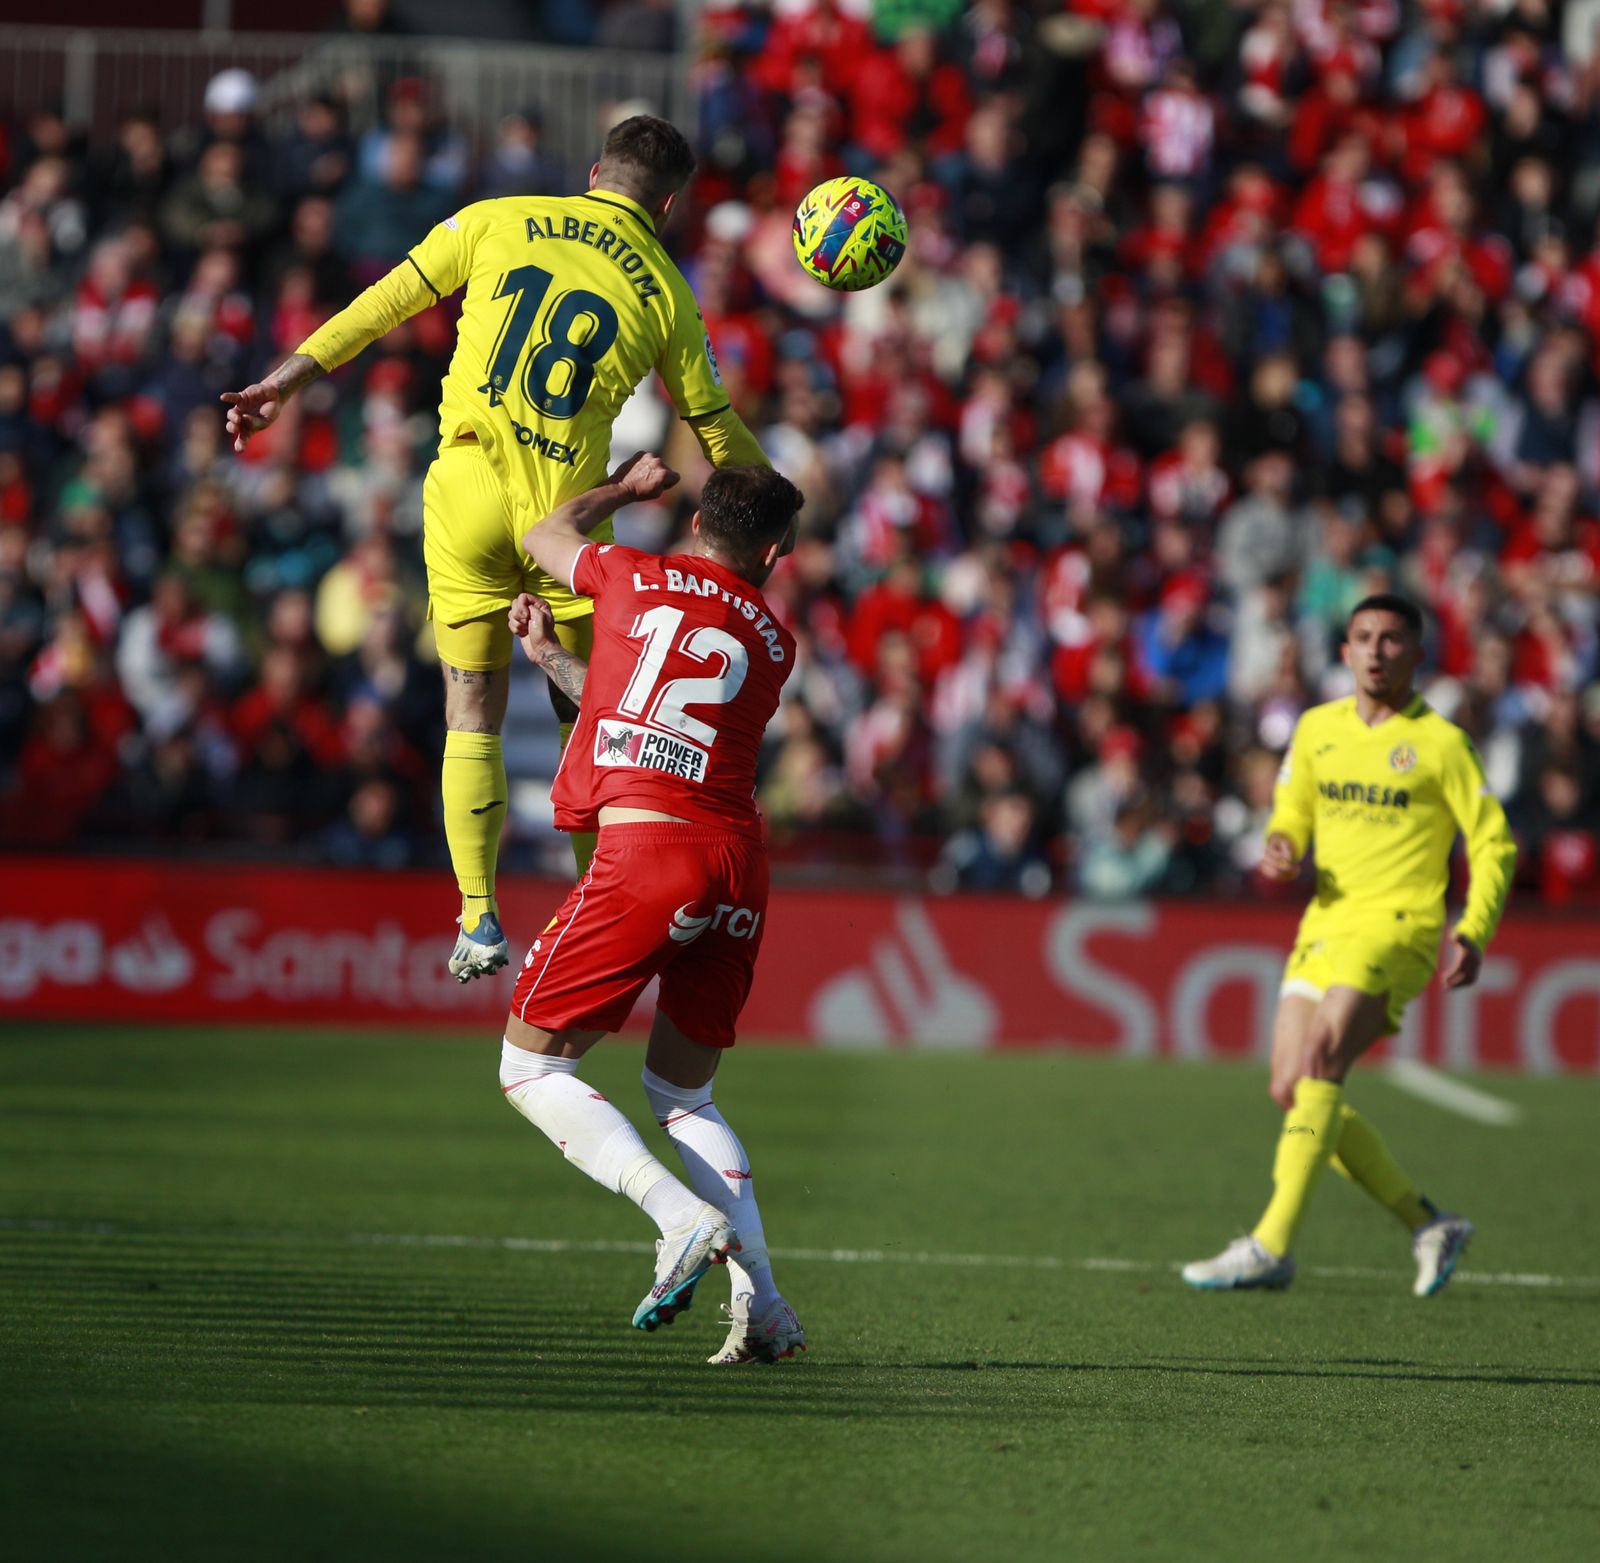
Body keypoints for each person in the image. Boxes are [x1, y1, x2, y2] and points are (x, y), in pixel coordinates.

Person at [221, 115, 769, 983]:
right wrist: (772, 498)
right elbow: (711, 422)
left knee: (469, 706)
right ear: (665, 205)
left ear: (594, 172)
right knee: (597, 721)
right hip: (570, 517)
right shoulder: (665, 287)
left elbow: (382, 306)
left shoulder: (494, 216)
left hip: (470, 489)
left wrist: (282, 382)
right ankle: (606, 905)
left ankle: (478, 916)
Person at [499, 450, 806, 1365]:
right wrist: (554, 657)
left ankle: (677, 1217)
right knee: (683, 1089)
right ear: (777, 551)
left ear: (698, 517)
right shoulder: (775, 642)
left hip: (648, 853)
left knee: (529, 1070)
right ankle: (767, 1306)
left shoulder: (628, 571)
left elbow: (540, 533)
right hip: (736, 864)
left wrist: (622, 494)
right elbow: (646, 715)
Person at [1182, 594, 1517, 1297]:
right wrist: (1281, 845)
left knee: (1321, 1058)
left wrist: (1475, 927)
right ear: (1343, 651)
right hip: (1324, 923)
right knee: (1290, 1087)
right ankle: (1429, 1222)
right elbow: (1293, 812)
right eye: (1362, 637)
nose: (1375, 651)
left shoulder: (1442, 744)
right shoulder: (1315, 729)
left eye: (1392, 640)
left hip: (1398, 924)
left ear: (1417, 654)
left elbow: (1494, 843)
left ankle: (1271, 1245)